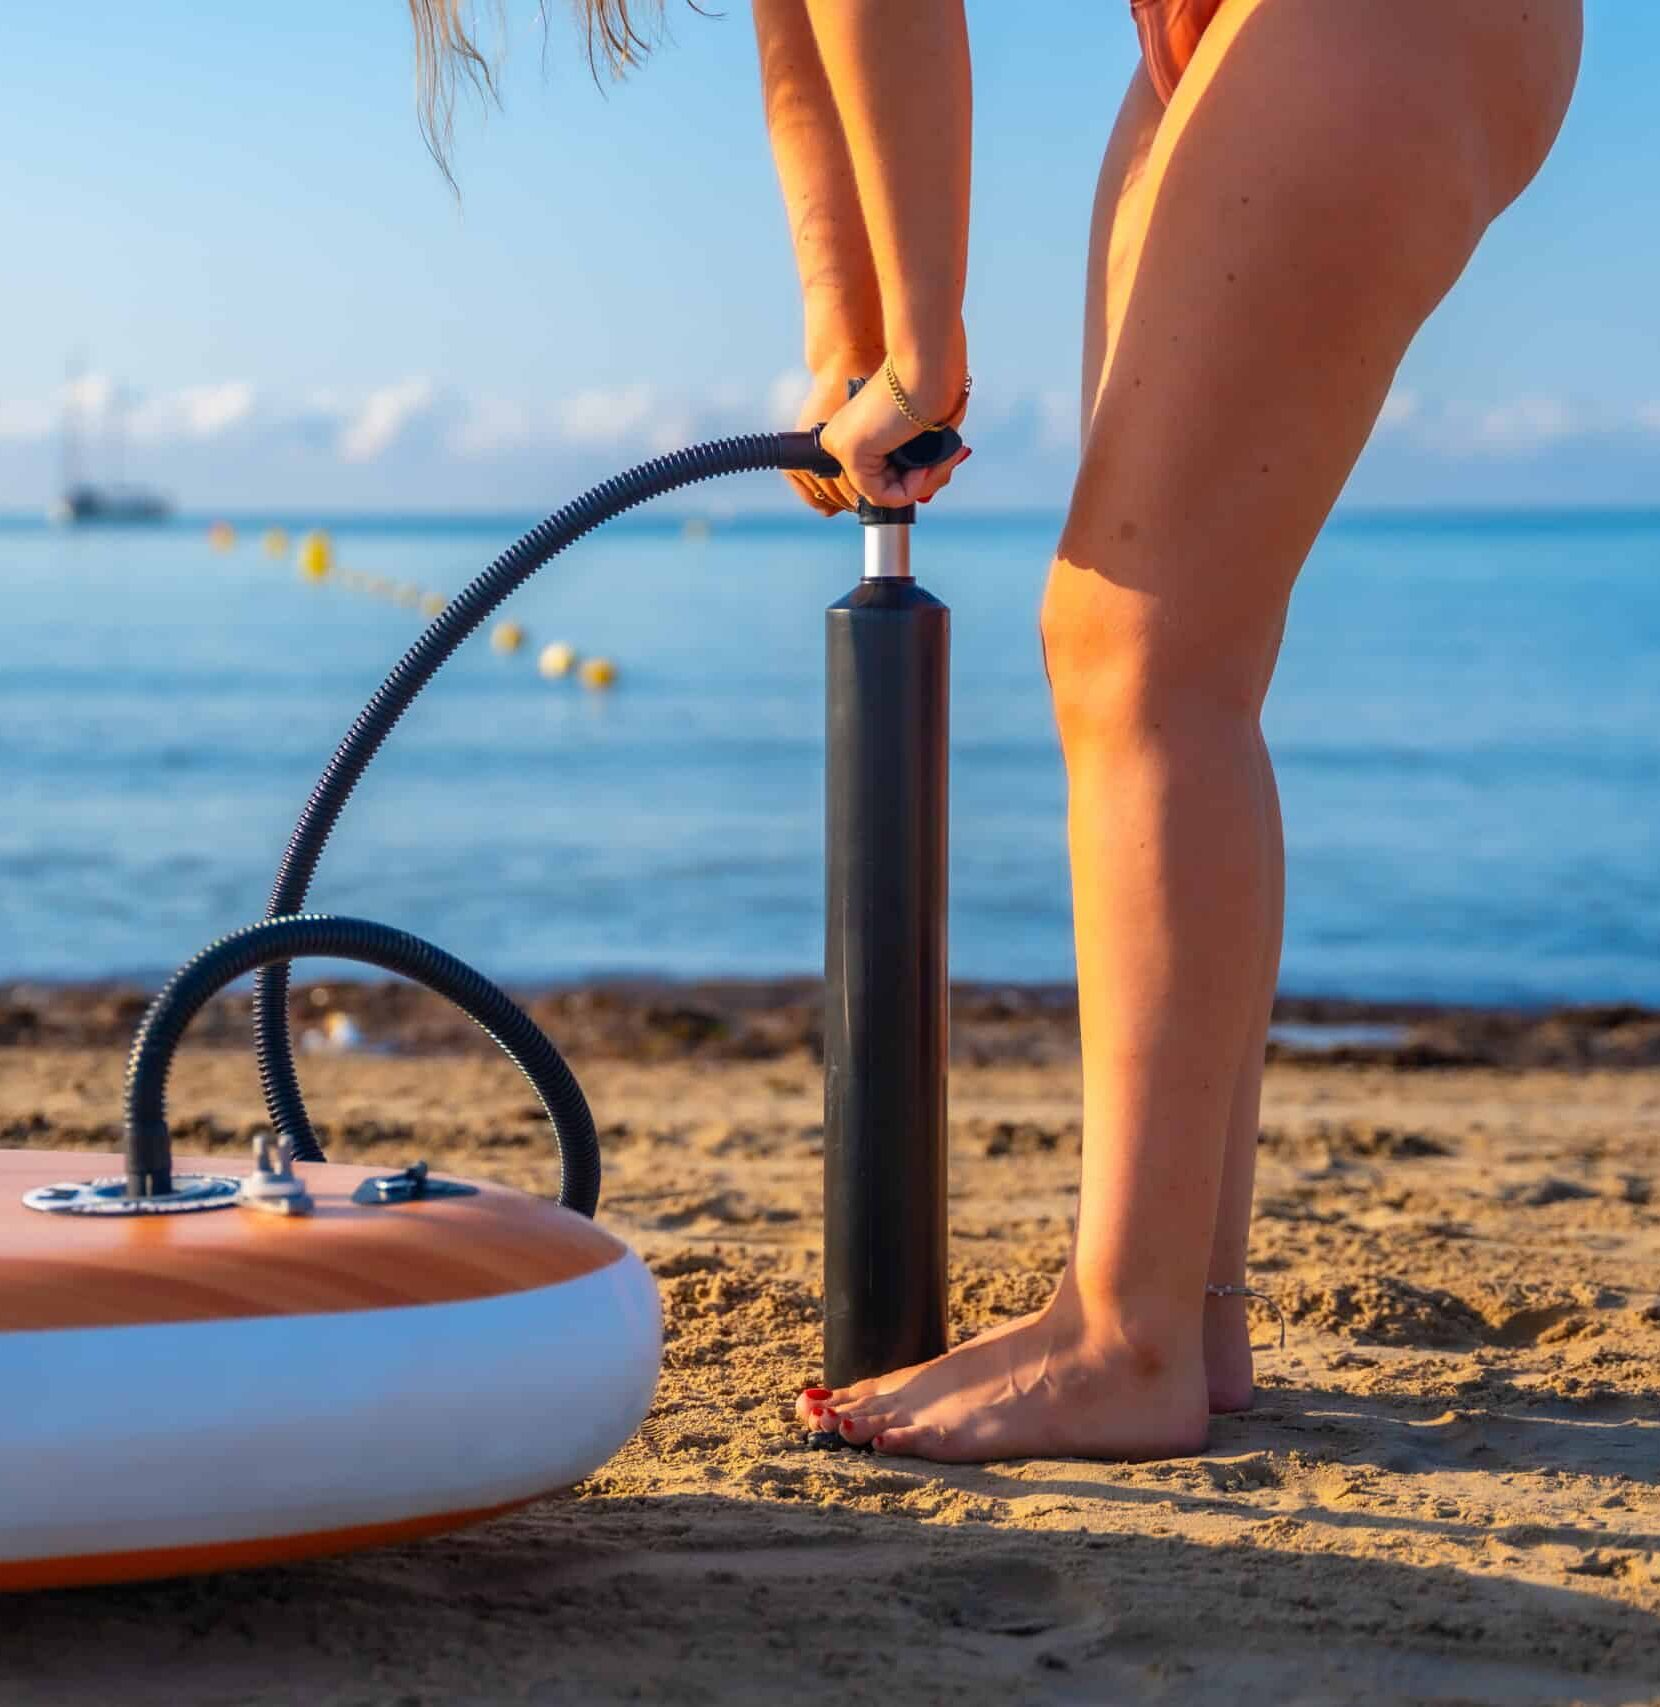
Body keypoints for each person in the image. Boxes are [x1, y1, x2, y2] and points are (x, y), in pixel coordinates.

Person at [409, 0, 1582, 1462]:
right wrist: (852, 332)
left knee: (1136, 650)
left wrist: (921, 335)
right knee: (1173, 663)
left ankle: (1127, 1334)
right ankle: (1188, 1318)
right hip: (1219, 38)